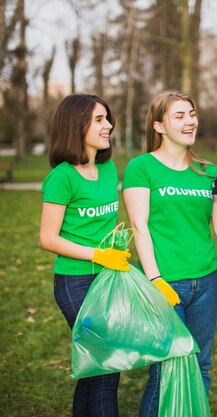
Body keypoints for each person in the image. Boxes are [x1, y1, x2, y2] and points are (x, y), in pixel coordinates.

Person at [122, 91, 217, 417]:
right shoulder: (141, 168)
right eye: (179, 115)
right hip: (164, 281)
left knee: (201, 363)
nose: (190, 121)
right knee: (167, 366)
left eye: (192, 114)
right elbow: (139, 227)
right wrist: (155, 279)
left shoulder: (209, 171)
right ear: (159, 125)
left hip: (206, 281)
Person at [40, 94, 130, 417]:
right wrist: (97, 254)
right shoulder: (62, 177)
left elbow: (103, 224)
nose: (108, 126)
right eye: (99, 120)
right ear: (76, 125)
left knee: (95, 369)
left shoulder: (108, 171)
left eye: (107, 119)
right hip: (74, 282)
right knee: (107, 364)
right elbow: (47, 238)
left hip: (108, 278)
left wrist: (117, 247)